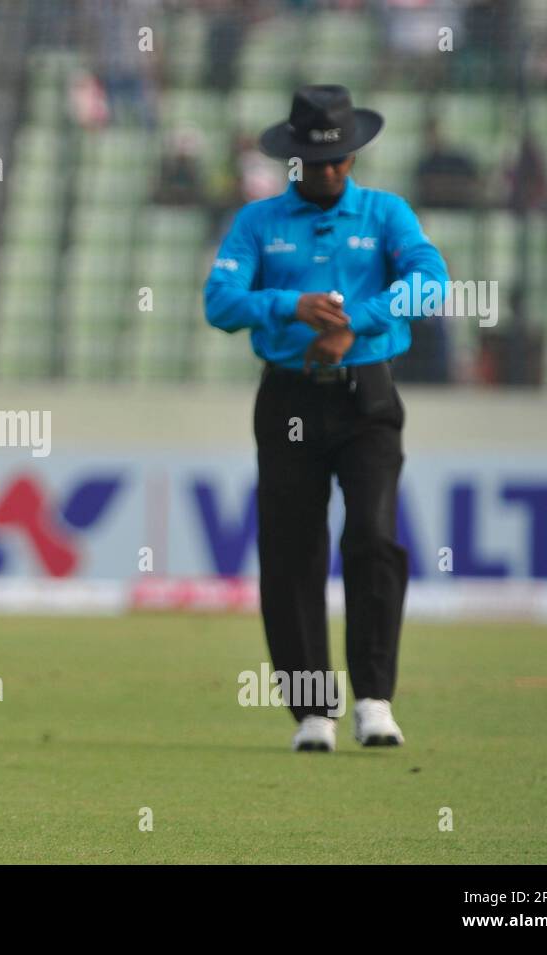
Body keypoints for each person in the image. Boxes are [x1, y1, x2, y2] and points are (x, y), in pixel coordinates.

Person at [203, 85, 449, 753]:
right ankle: (313, 711)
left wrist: (355, 326)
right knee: (290, 550)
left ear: (354, 155)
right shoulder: (259, 222)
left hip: (366, 395)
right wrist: (291, 306)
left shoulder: (387, 213)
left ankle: (375, 699)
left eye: (340, 160)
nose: (330, 173)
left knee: (372, 534)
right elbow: (220, 302)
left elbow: (433, 281)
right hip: (289, 396)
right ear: (296, 161)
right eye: (317, 163)